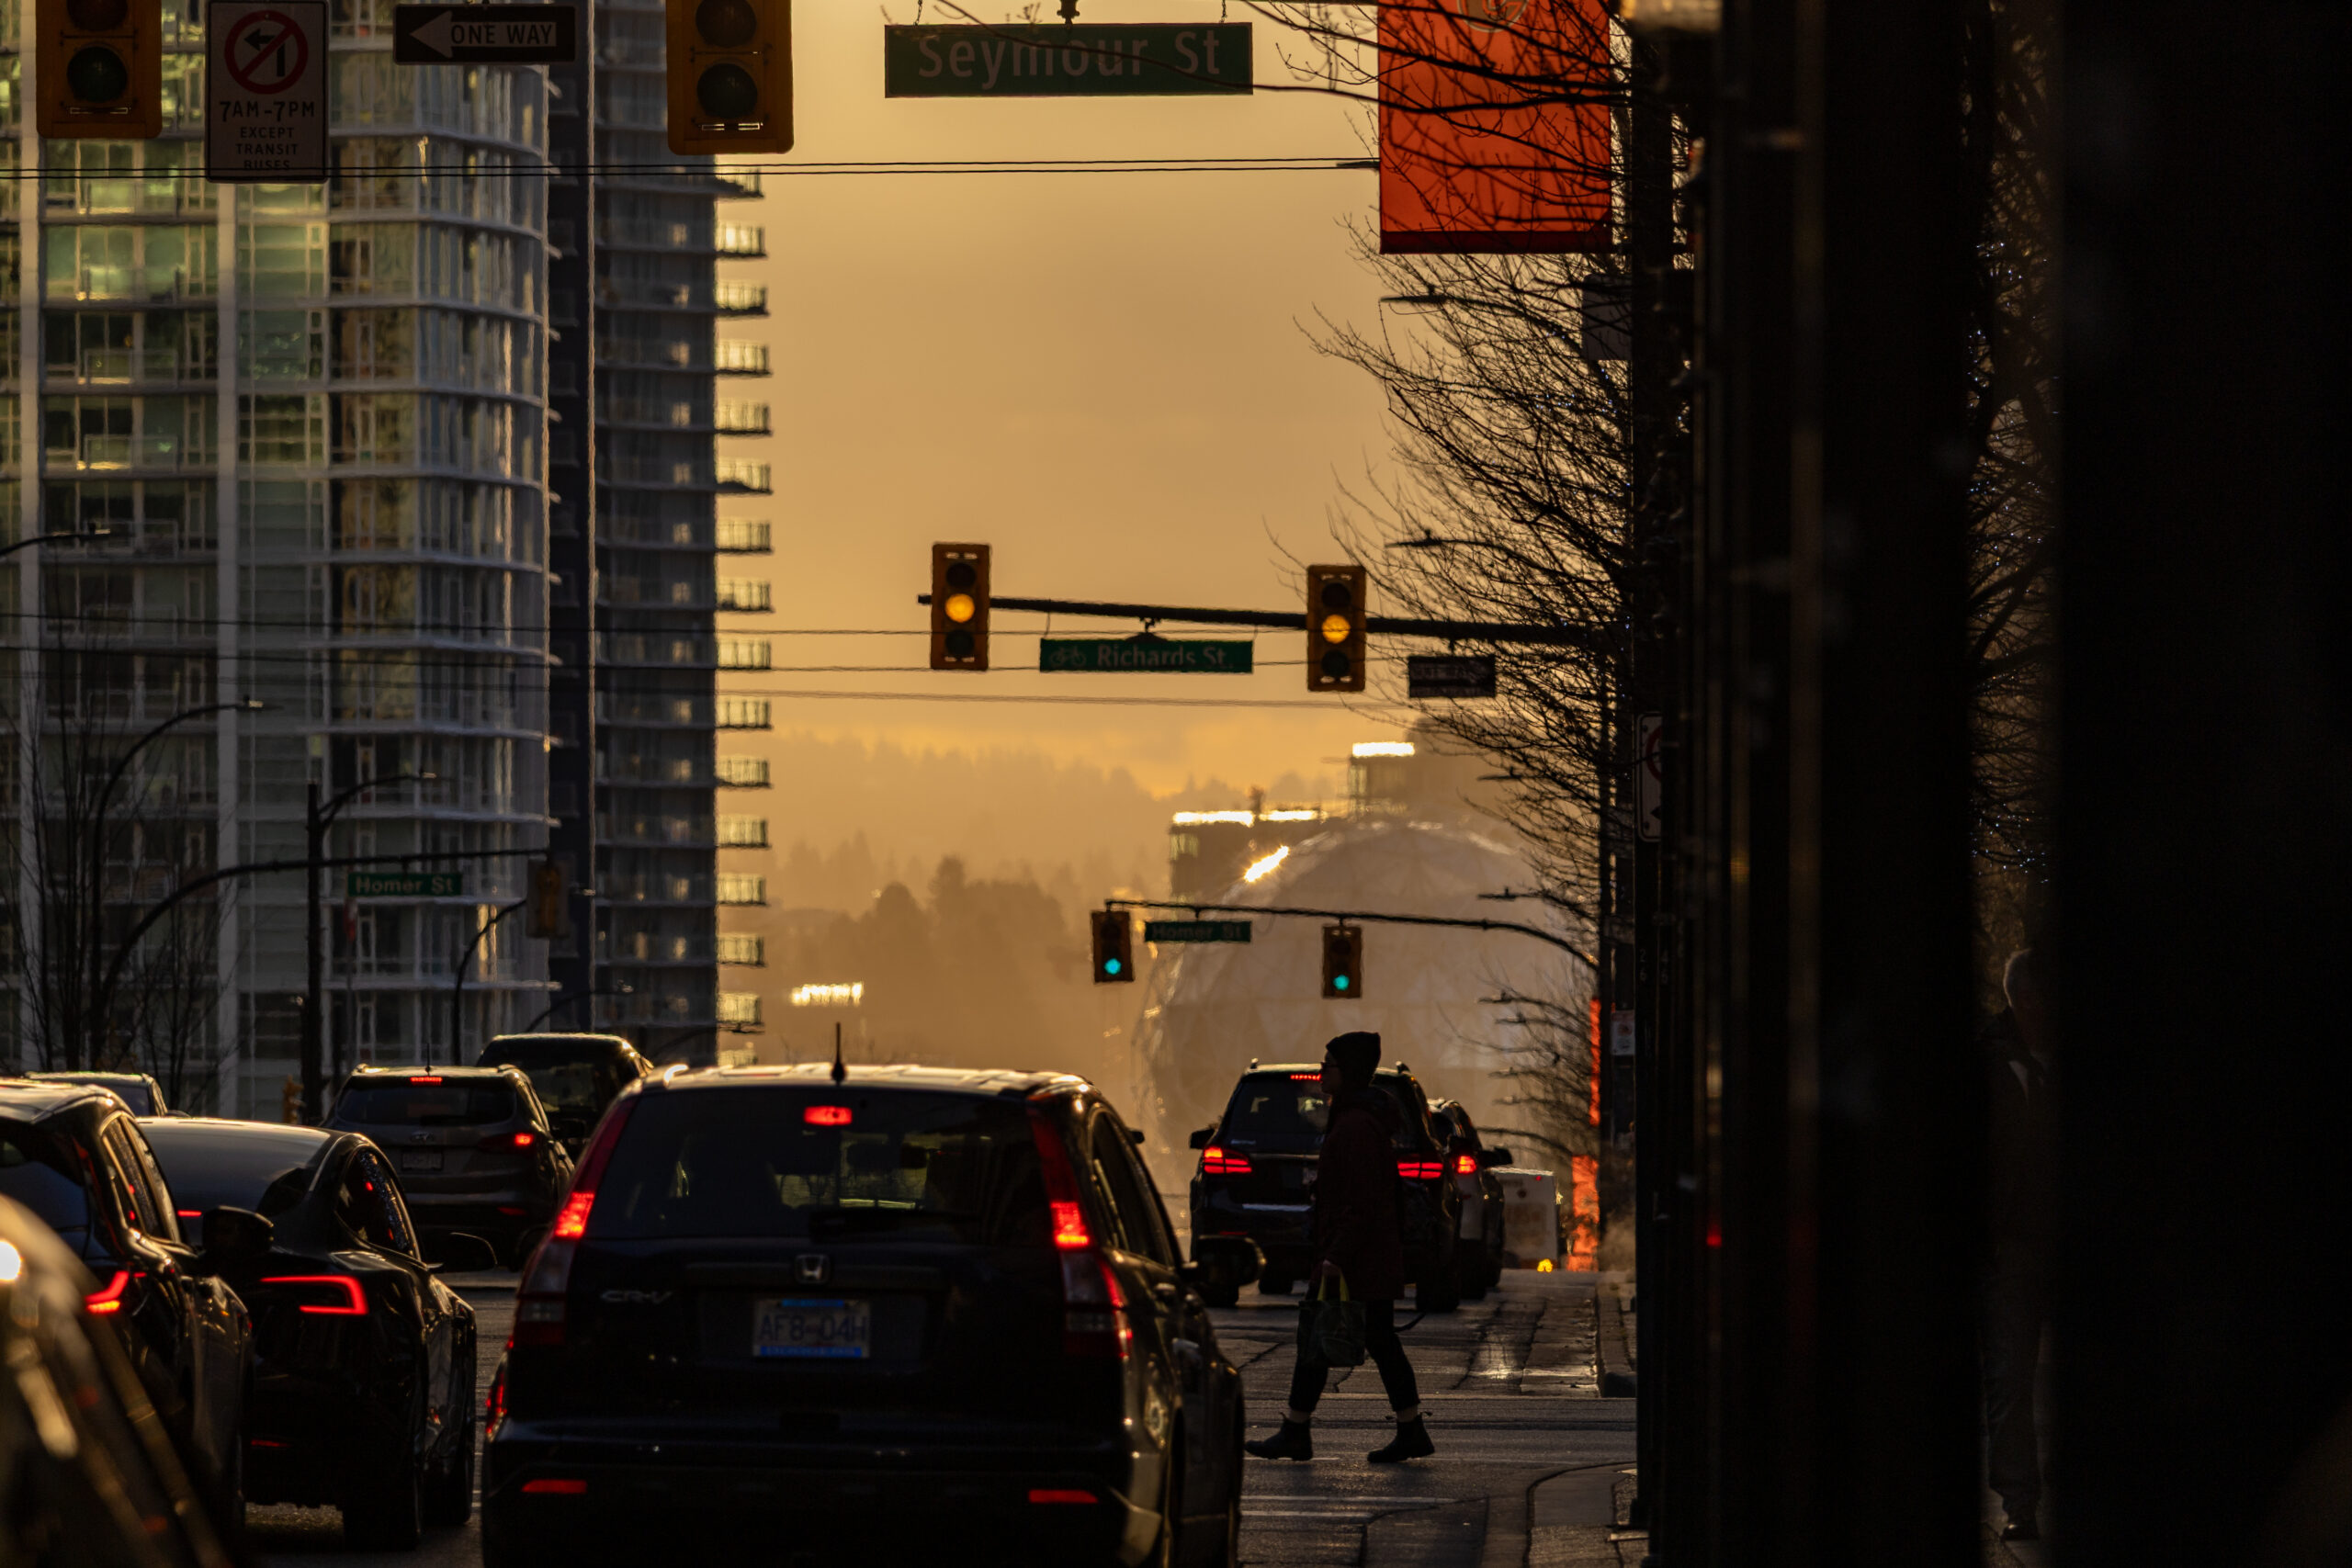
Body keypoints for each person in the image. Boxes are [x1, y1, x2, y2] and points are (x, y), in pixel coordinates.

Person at [1244, 1030, 1432, 1464]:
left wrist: (1336, 1256)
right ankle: (1405, 1429)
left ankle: (1298, 1431)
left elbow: (1362, 1201)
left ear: (1347, 1071)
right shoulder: (1355, 1119)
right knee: (1370, 1340)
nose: (1321, 1072)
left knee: (1320, 1337)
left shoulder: (1356, 1127)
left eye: (1327, 1065)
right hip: (1363, 1256)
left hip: (1355, 1259)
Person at [1983, 947, 2057, 1541]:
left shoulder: (2007, 1059)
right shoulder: (1992, 1062)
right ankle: (2020, 1498)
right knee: (2011, 1373)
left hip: (2028, 1238)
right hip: (2015, 1242)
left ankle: (2023, 1496)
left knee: (2015, 1373)